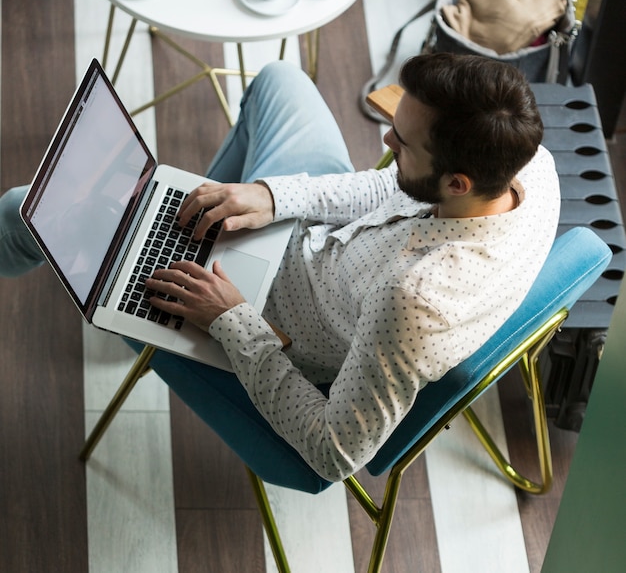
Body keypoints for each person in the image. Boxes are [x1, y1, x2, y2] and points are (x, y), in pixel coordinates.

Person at [0, 54, 560, 482]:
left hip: (268, 317)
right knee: (278, 79)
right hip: (313, 244)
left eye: (402, 140)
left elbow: (333, 453)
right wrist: (271, 196)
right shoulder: (527, 163)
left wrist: (232, 320)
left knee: (22, 207)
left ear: (456, 183)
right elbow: (392, 187)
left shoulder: (412, 303)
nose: (385, 138)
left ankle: (150, 269)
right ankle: (177, 224)